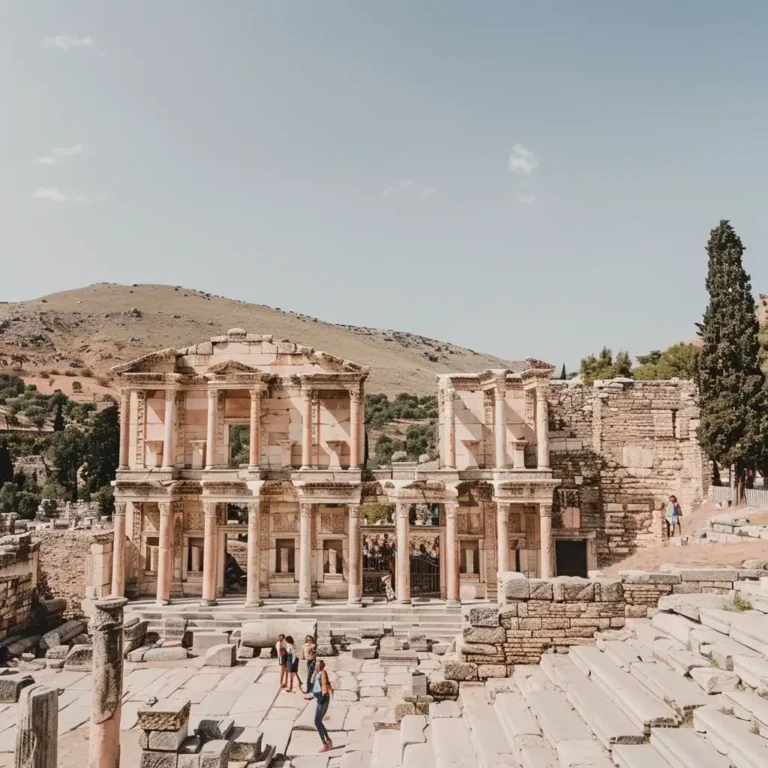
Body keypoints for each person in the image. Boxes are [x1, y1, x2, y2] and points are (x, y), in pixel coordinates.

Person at [311, 659, 334, 752]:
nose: (315, 665)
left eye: (317, 664)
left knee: (317, 721)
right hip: (319, 698)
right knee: (318, 721)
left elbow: (324, 684)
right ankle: (328, 741)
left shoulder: (323, 673)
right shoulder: (317, 673)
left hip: (323, 698)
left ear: (320, 666)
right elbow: (311, 682)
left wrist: (323, 695)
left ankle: (325, 743)